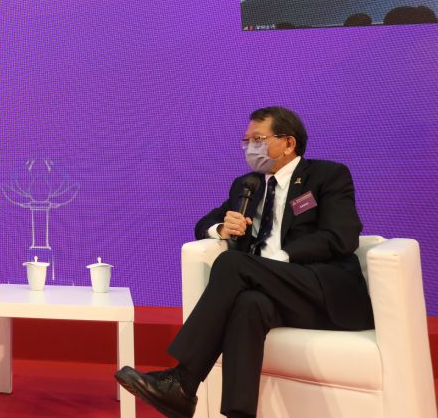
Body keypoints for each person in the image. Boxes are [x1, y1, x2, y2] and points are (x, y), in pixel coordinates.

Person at [114, 106, 373, 418]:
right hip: (270, 291)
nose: (251, 148)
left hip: (320, 289)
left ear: (288, 143)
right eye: (246, 141)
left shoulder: (327, 176)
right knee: (248, 304)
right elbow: (204, 223)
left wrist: (282, 258)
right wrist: (222, 227)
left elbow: (341, 236)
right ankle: (237, 413)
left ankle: (182, 380)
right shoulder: (247, 185)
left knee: (232, 263)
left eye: (258, 139)